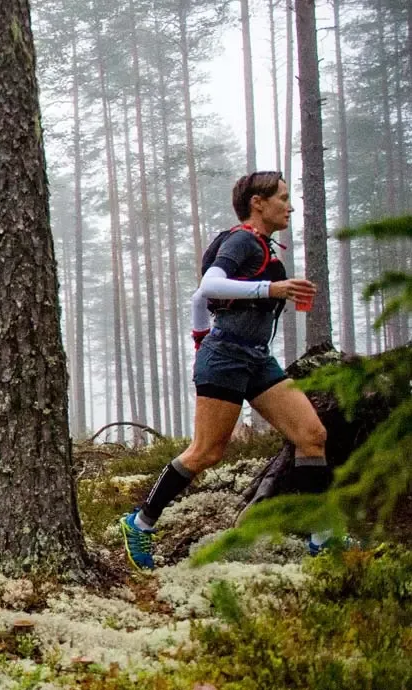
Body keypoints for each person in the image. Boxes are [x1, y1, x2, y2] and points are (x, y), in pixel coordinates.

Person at [120, 171, 329, 570]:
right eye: (283, 198)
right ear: (258, 203)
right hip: (227, 356)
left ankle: (321, 537)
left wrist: (203, 334)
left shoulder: (266, 249)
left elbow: (206, 300)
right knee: (206, 452)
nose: (290, 206)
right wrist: (270, 292)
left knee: (312, 435)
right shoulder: (241, 241)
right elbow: (209, 287)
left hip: (256, 358)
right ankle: (140, 522)